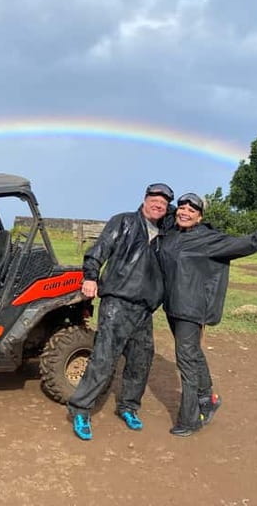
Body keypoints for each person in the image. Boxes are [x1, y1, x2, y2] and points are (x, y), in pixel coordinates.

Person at [158, 192, 257, 437]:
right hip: (172, 306)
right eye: (181, 208)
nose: (184, 212)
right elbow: (160, 209)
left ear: (200, 217)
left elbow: (247, 243)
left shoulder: (210, 240)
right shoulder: (172, 233)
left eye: (191, 211)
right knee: (192, 352)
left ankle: (190, 419)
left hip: (191, 309)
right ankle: (208, 398)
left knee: (185, 360)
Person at [67, 182, 175, 441]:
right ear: (145, 199)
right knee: (104, 358)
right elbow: (98, 250)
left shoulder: (165, 234)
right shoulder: (123, 222)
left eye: (164, 203)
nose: (158, 205)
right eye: (154, 200)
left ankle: (128, 406)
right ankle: (81, 410)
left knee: (140, 360)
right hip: (117, 303)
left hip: (144, 309)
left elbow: (189, 220)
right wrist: (90, 276)